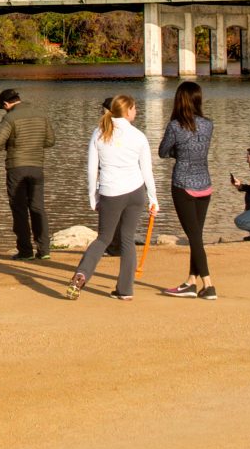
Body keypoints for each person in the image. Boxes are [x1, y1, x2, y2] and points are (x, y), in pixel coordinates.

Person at [69, 94, 154, 300]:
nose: (137, 112)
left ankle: (81, 274)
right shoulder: (138, 135)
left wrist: (92, 196)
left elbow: (91, 169)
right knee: (127, 239)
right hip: (135, 192)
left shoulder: (99, 133)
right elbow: (147, 170)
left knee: (103, 238)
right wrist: (153, 198)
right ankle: (125, 290)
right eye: (134, 108)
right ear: (127, 111)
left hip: (110, 192)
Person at [157, 85, 218, 300]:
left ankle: (208, 284)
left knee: (194, 237)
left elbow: (162, 152)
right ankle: (191, 281)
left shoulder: (175, 126)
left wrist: (178, 151)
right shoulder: (208, 125)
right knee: (196, 236)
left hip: (183, 185)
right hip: (205, 184)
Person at [0, 88, 56, 260]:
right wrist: (33, 145)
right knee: (38, 208)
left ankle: (25, 251)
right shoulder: (41, 115)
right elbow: (50, 141)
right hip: (37, 167)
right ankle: (44, 250)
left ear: (6, 104)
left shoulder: (10, 117)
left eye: (3, 107)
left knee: (19, 209)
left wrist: (14, 145)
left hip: (16, 168)